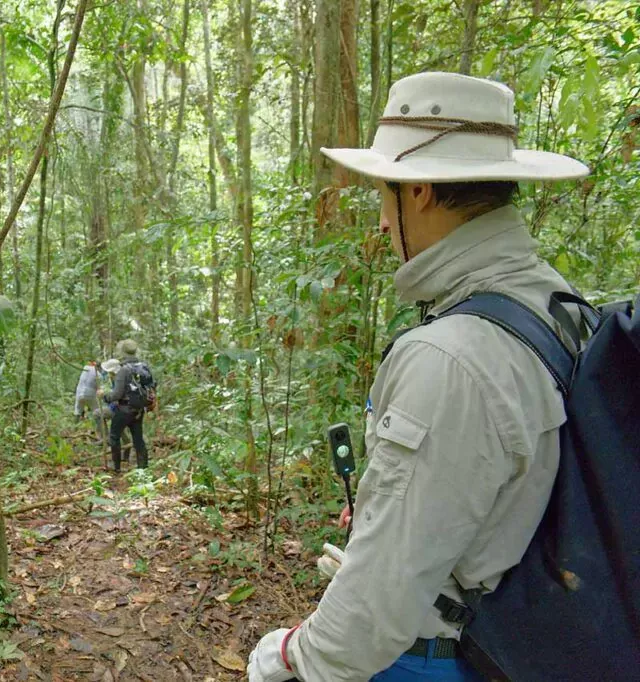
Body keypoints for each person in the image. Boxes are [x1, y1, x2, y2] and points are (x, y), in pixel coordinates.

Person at [247, 72, 589, 681]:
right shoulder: (556, 304)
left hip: (442, 658)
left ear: (420, 191)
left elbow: (373, 612)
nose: (383, 222)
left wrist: (291, 655)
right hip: (525, 634)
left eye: (386, 194)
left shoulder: (449, 359)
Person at [103, 340, 151, 472]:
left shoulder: (124, 370)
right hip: (139, 410)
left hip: (124, 409)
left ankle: (116, 467)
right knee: (138, 439)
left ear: (123, 352)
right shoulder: (144, 367)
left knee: (114, 437)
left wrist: (105, 396)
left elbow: (117, 394)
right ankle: (143, 468)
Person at [74, 360, 106, 445]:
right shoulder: (99, 375)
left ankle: (74, 431)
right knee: (98, 412)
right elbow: (99, 389)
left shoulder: (85, 368)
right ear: (99, 367)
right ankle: (101, 434)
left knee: (77, 412)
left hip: (79, 393)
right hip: (90, 394)